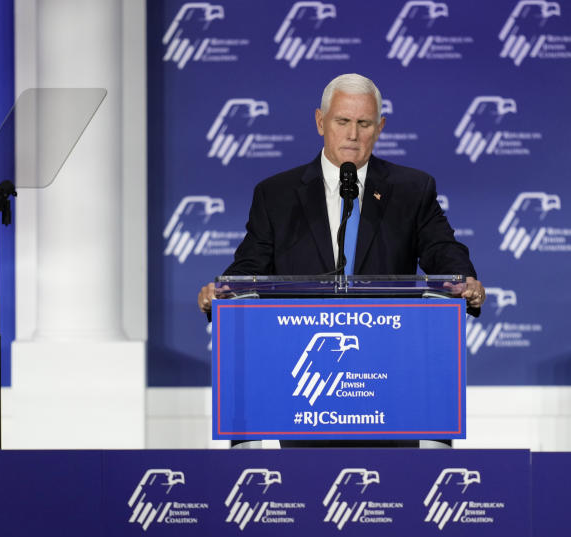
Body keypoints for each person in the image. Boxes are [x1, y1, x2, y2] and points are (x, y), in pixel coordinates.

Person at [198, 73, 485, 448]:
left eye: (364, 123)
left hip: (389, 379)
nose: (353, 134)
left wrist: (462, 279)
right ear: (320, 122)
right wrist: (223, 292)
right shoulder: (277, 195)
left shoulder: (412, 190)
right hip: (305, 385)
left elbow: (443, 249)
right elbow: (250, 267)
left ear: (379, 127)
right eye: (342, 121)